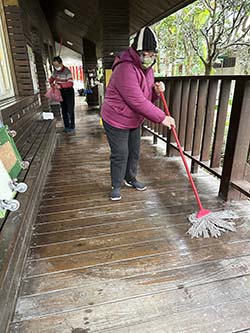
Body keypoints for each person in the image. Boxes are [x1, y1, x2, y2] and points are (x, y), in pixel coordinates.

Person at [101, 26, 175, 201]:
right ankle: (116, 185)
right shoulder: (124, 68)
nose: (148, 57)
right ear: (135, 51)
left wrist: (157, 91)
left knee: (134, 151)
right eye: (144, 53)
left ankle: (130, 178)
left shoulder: (147, 69)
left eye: (152, 54)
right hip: (116, 118)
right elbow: (137, 101)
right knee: (120, 153)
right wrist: (162, 117)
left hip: (133, 119)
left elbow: (146, 96)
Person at [49, 56, 75, 132]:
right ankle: (66, 126)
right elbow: (51, 80)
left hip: (69, 91)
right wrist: (53, 85)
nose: (56, 67)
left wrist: (60, 85)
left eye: (57, 65)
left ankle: (72, 126)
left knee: (70, 109)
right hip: (61, 92)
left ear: (61, 64)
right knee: (63, 110)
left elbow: (70, 83)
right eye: (54, 66)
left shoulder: (67, 71)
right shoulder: (55, 72)